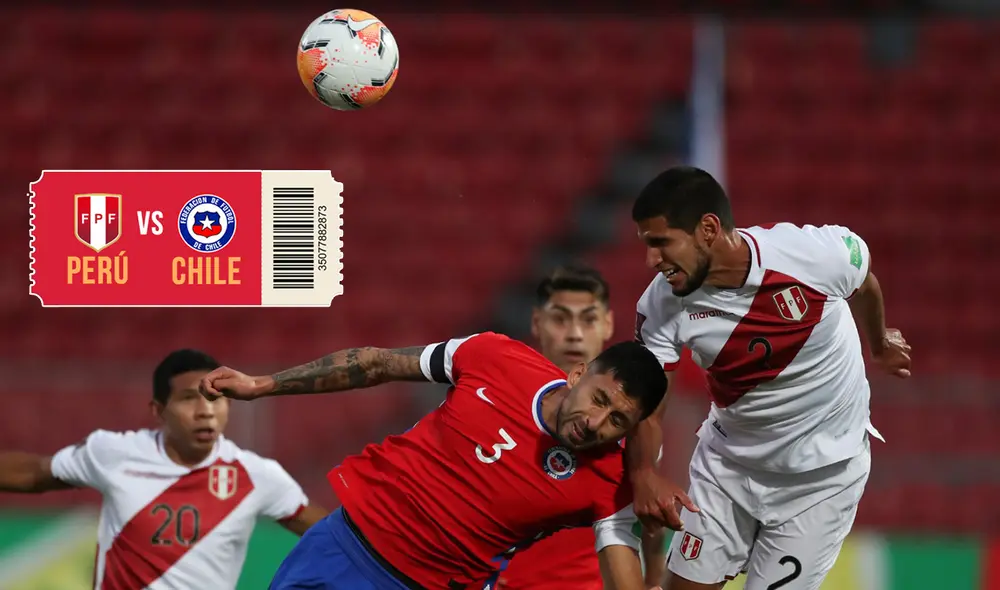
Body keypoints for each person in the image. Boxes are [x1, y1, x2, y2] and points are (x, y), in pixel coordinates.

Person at [200, 333, 669, 589]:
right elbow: (377, 364)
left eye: (617, 420)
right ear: (579, 374)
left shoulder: (611, 479)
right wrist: (265, 384)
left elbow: (623, 574)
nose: (596, 423)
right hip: (343, 546)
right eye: (599, 399)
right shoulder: (497, 357)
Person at [630, 166, 912, 590]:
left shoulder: (811, 255)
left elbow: (864, 280)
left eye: (661, 243)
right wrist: (643, 474)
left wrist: (879, 343)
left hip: (822, 480)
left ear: (708, 229)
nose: (652, 260)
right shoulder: (661, 304)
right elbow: (649, 404)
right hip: (728, 468)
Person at [0, 349, 328, 589]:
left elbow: (332, 537)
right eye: (188, 398)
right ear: (158, 410)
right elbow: (34, 473)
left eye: (216, 398)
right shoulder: (114, 453)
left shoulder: (257, 475)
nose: (205, 411)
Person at [498, 264, 667, 589]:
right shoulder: (498, 395)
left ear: (607, 324)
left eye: (588, 320)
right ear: (537, 322)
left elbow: (647, 520)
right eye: (560, 319)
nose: (575, 334)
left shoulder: (634, 435)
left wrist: (653, 581)